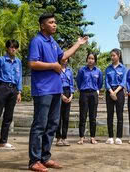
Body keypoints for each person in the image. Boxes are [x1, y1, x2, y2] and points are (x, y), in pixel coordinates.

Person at [27, 12, 88, 172]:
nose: (54, 25)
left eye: (55, 22)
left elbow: (64, 56)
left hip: (56, 89)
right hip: (43, 90)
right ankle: (34, 160)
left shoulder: (52, 42)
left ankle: (45, 157)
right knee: (39, 125)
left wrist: (78, 44)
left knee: (53, 124)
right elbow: (32, 63)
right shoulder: (37, 41)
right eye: (51, 22)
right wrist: (53, 66)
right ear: (42, 25)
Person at [0, 39, 22, 151]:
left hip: (13, 89)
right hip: (2, 87)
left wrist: (19, 91)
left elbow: (19, 76)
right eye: (11, 47)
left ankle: (3, 142)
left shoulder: (18, 62)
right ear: (7, 48)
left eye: (15, 47)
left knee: (8, 116)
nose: (13, 49)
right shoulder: (0, 60)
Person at [77, 51, 103, 144]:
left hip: (93, 94)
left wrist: (96, 90)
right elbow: (79, 82)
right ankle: (81, 137)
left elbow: (100, 84)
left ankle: (92, 137)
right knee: (82, 116)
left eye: (92, 58)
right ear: (87, 59)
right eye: (89, 58)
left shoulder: (98, 71)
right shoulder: (82, 70)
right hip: (84, 94)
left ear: (95, 60)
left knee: (93, 117)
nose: (90, 60)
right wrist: (82, 89)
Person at [104, 48, 127, 145]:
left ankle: (118, 137)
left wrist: (116, 92)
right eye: (111, 55)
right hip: (109, 92)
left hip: (119, 92)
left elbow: (123, 82)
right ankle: (110, 136)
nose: (112, 57)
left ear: (119, 56)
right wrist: (111, 92)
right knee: (110, 115)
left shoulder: (123, 68)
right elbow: (106, 82)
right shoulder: (108, 68)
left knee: (119, 115)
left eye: (114, 55)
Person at [56, 58, 74, 146]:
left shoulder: (69, 71)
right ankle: (58, 138)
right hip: (59, 92)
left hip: (68, 92)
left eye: (66, 59)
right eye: (63, 59)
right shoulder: (57, 69)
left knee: (66, 117)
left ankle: (64, 138)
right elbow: (56, 83)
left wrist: (71, 95)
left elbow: (71, 84)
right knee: (58, 117)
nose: (65, 60)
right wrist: (61, 95)